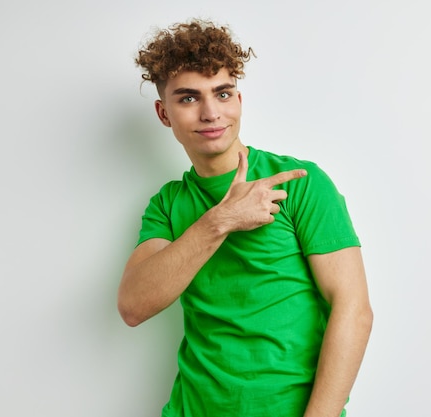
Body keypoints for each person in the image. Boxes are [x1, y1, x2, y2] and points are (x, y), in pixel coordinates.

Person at [117, 18, 373, 417]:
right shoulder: (167, 205)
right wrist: (222, 220)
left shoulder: (300, 183)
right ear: (163, 113)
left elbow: (353, 309)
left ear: (239, 100)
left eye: (222, 93)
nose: (210, 113)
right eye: (187, 98)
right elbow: (134, 306)